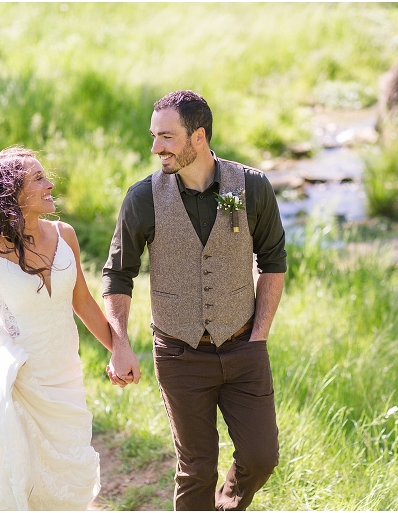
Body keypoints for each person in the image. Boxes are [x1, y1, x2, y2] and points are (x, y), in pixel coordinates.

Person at [103, 90, 287, 510]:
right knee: (197, 467)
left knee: (261, 457)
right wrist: (121, 344)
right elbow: (118, 273)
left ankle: (226, 505)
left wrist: (259, 336)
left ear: (198, 136)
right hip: (179, 353)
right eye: (153, 136)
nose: (155, 148)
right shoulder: (143, 198)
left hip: (244, 346)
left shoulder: (253, 186)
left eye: (166, 137)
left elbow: (273, 260)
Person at [0, 146, 118, 510]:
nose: (50, 184)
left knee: (69, 473)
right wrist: (6, 366)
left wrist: (119, 349)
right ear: (13, 195)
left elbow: (83, 302)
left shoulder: (66, 236)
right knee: (28, 481)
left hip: (66, 376)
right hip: (21, 385)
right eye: (38, 178)